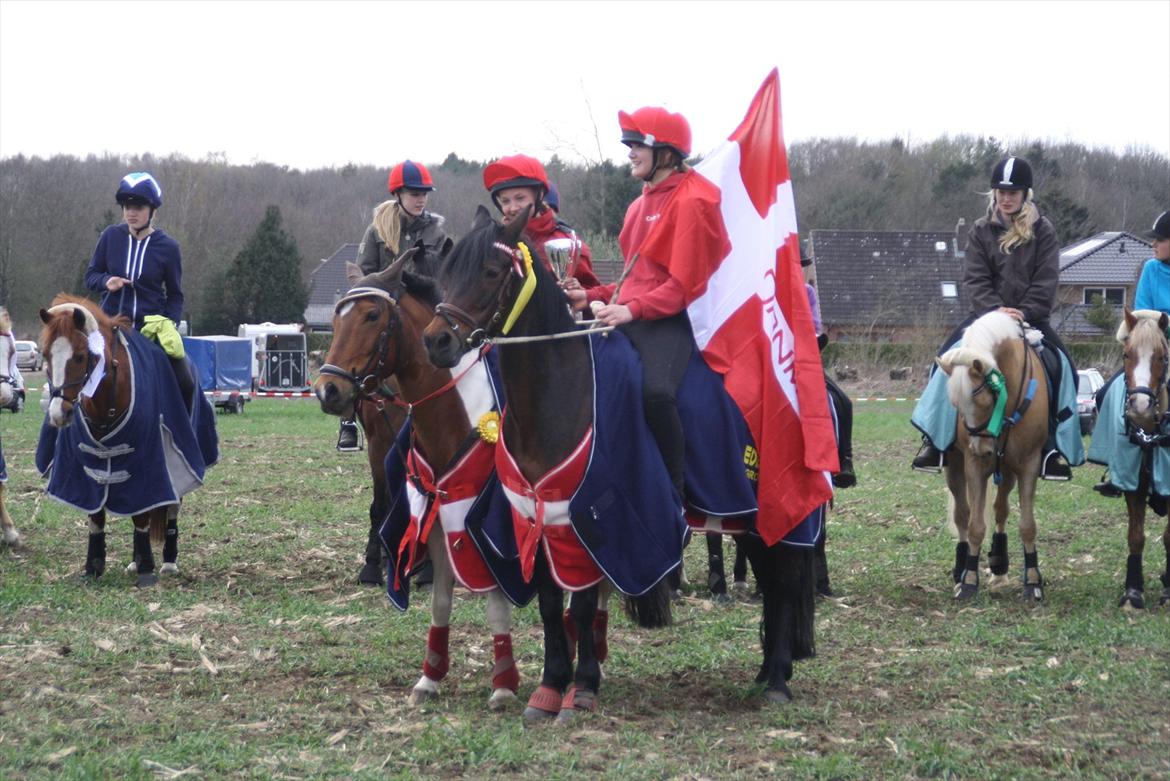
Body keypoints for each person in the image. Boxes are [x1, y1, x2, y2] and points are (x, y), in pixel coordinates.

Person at [589, 106, 730, 501]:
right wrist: (592, 296)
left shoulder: (693, 200)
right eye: (628, 145)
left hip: (673, 320)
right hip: (631, 315)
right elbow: (636, 279)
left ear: (665, 152)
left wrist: (630, 310)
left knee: (655, 392)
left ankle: (673, 491)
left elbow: (682, 286)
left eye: (637, 145)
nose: (630, 153)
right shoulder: (638, 205)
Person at [910, 156, 1080, 480]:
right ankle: (936, 440)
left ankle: (1053, 447)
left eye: (1013, 191)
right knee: (941, 365)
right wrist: (994, 310)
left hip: (1030, 319)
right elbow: (975, 279)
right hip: (985, 318)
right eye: (1001, 191)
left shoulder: (1044, 231)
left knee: (1063, 367)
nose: (1006, 197)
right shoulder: (980, 230)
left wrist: (1024, 311)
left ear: (1025, 193)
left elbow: (1047, 280)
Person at [338, 160, 448, 451]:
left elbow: (442, 278)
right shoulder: (376, 231)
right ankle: (348, 418)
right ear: (398, 194)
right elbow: (363, 273)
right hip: (384, 309)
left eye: (425, 193)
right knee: (351, 342)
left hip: (422, 309)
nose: (421, 198)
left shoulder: (437, 233)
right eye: (414, 193)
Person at [85, 173, 194, 410]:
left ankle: (185, 439)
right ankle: (54, 442)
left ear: (152, 210)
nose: (131, 213)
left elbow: (176, 295)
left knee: (186, 381)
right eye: (126, 206)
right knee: (67, 375)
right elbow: (90, 276)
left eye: (138, 206)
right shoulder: (110, 236)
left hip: (150, 331)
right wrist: (107, 281)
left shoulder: (168, 248)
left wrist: (169, 324)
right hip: (109, 327)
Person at [1092, 208, 1170, 496]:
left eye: (1160, 239)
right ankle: (1116, 468)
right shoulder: (1150, 269)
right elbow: (1140, 314)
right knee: (1105, 392)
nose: (1153, 244)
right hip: (1151, 343)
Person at [481, 154, 601, 295]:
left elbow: (592, 298)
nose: (512, 208)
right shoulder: (494, 243)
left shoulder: (566, 243)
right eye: (505, 201)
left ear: (539, 196)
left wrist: (579, 291)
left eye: (520, 198)